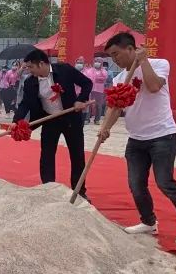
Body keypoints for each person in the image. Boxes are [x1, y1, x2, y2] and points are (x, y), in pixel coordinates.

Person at [99, 33, 176, 237]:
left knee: (164, 183)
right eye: (111, 56)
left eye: (116, 54)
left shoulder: (159, 64)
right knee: (136, 184)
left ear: (131, 49)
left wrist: (143, 62)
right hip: (136, 139)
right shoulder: (119, 79)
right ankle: (148, 222)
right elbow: (115, 107)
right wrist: (105, 127)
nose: (114, 59)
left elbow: (153, 86)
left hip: (162, 136)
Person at [13, 49, 92, 199]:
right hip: (49, 119)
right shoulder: (30, 82)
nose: (28, 70)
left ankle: (79, 192)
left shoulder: (64, 70)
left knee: (77, 156)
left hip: (70, 118)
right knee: (47, 156)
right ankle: (48, 190)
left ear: (41, 63)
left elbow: (87, 83)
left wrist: (80, 99)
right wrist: (16, 121)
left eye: (30, 67)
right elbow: (25, 104)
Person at [83, 58, 109, 125]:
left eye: (99, 62)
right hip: (91, 89)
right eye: (96, 61)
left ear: (101, 63)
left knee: (99, 105)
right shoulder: (90, 70)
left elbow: (105, 78)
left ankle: (97, 119)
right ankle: (87, 119)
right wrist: (98, 78)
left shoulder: (104, 71)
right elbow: (88, 77)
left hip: (99, 90)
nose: (97, 63)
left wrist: (97, 78)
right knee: (88, 104)